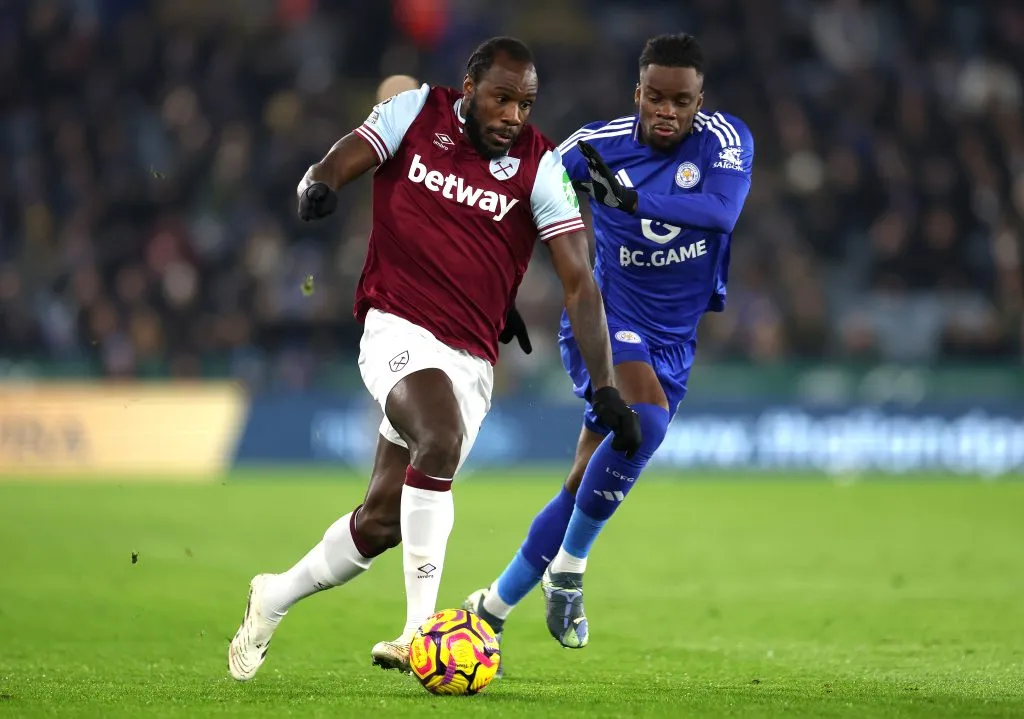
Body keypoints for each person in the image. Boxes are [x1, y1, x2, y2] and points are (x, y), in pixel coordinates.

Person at [227, 36, 642, 681]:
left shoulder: (541, 165)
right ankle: (421, 632)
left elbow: (579, 281)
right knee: (440, 438)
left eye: (525, 104)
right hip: (395, 324)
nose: (513, 115)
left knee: (383, 519)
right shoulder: (415, 113)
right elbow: (346, 156)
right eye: (501, 98)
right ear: (470, 86)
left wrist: (605, 385)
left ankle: (273, 596)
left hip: (471, 357)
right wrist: (321, 181)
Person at [463, 32, 755, 662]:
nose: (668, 112)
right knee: (641, 423)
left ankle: (490, 609)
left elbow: (722, 211)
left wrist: (630, 199)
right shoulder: (594, 147)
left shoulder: (728, 141)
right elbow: (513, 201)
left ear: (700, 100)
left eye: (682, 100)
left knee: (581, 485)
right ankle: (568, 571)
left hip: (675, 342)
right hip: (607, 320)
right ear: (638, 94)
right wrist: (497, 284)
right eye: (656, 97)